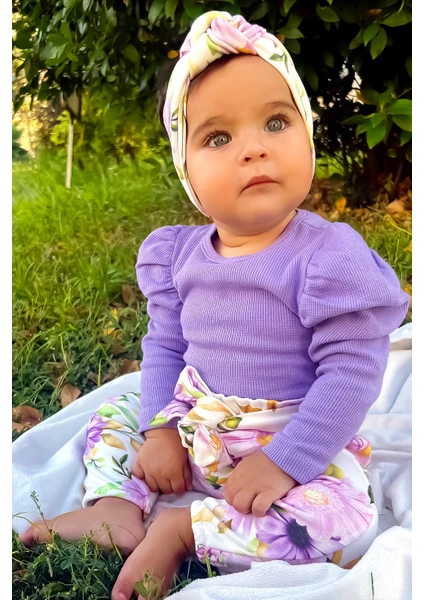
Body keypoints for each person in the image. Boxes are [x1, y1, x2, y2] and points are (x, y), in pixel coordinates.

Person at [20, 10, 410, 600]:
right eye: (218, 138)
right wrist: (160, 430)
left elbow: (351, 373)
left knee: (344, 522)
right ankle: (115, 508)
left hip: (288, 436)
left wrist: (286, 461)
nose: (253, 149)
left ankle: (184, 528)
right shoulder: (178, 256)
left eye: (276, 122)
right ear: (187, 171)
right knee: (116, 413)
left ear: (307, 137)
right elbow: (165, 345)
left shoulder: (328, 257)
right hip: (193, 430)